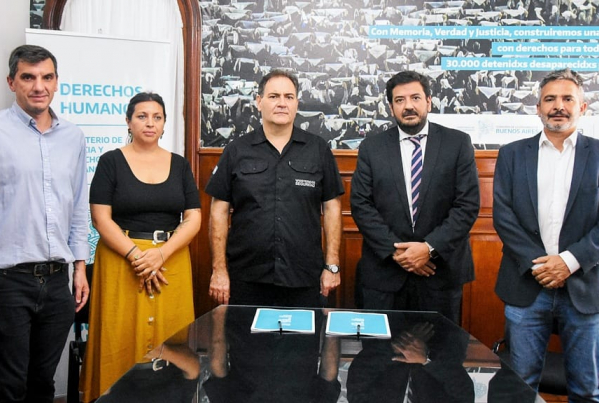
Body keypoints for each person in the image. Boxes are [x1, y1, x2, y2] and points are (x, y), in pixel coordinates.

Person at [80, 92, 202, 402]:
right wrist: (137, 255)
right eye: (142, 116)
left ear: (164, 124)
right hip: (121, 260)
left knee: (171, 337)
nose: (150, 123)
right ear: (128, 122)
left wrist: (161, 253)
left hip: (170, 260)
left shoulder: (180, 165)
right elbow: (100, 218)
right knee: (118, 337)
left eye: (157, 117)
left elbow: (193, 218)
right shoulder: (111, 161)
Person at [493, 68, 599, 401]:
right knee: (521, 385)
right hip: (527, 284)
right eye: (550, 99)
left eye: (568, 99)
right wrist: (541, 265)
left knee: (586, 389)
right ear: (538, 107)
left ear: (583, 107)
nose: (558, 106)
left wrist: (568, 262)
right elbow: (503, 216)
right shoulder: (512, 154)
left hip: (585, 287)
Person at [205, 69, 344, 308]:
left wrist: (332, 266)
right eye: (273, 96)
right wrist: (219, 270)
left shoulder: (318, 149)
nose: (282, 103)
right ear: (259, 102)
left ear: (297, 103)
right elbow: (218, 211)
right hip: (247, 277)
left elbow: (332, 207)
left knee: (304, 334)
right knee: (244, 334)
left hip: (303, 276)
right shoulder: (236, 150)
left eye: (289, 97)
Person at [350, 70, 480, 324]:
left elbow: (467, 205)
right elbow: (361, 205)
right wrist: (400, 254)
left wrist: (428, 249)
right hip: (385, 275)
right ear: (391, 107)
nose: (408, 106)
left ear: (429, 102)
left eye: (415, 98)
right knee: (380, 348)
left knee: (439, 347)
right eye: (399, 100)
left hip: (439, 274)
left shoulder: (457, 143)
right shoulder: (372, 147)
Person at [0, 44, 90, 403]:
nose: (39, 86)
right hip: (9, 282)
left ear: (56, 82)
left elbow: (78, 206)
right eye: (28, 77)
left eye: (46, 77)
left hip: (57, 282)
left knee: (43, 384)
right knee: (9, 386)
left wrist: (80, 267)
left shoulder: (74, 137)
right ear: (11, 82)